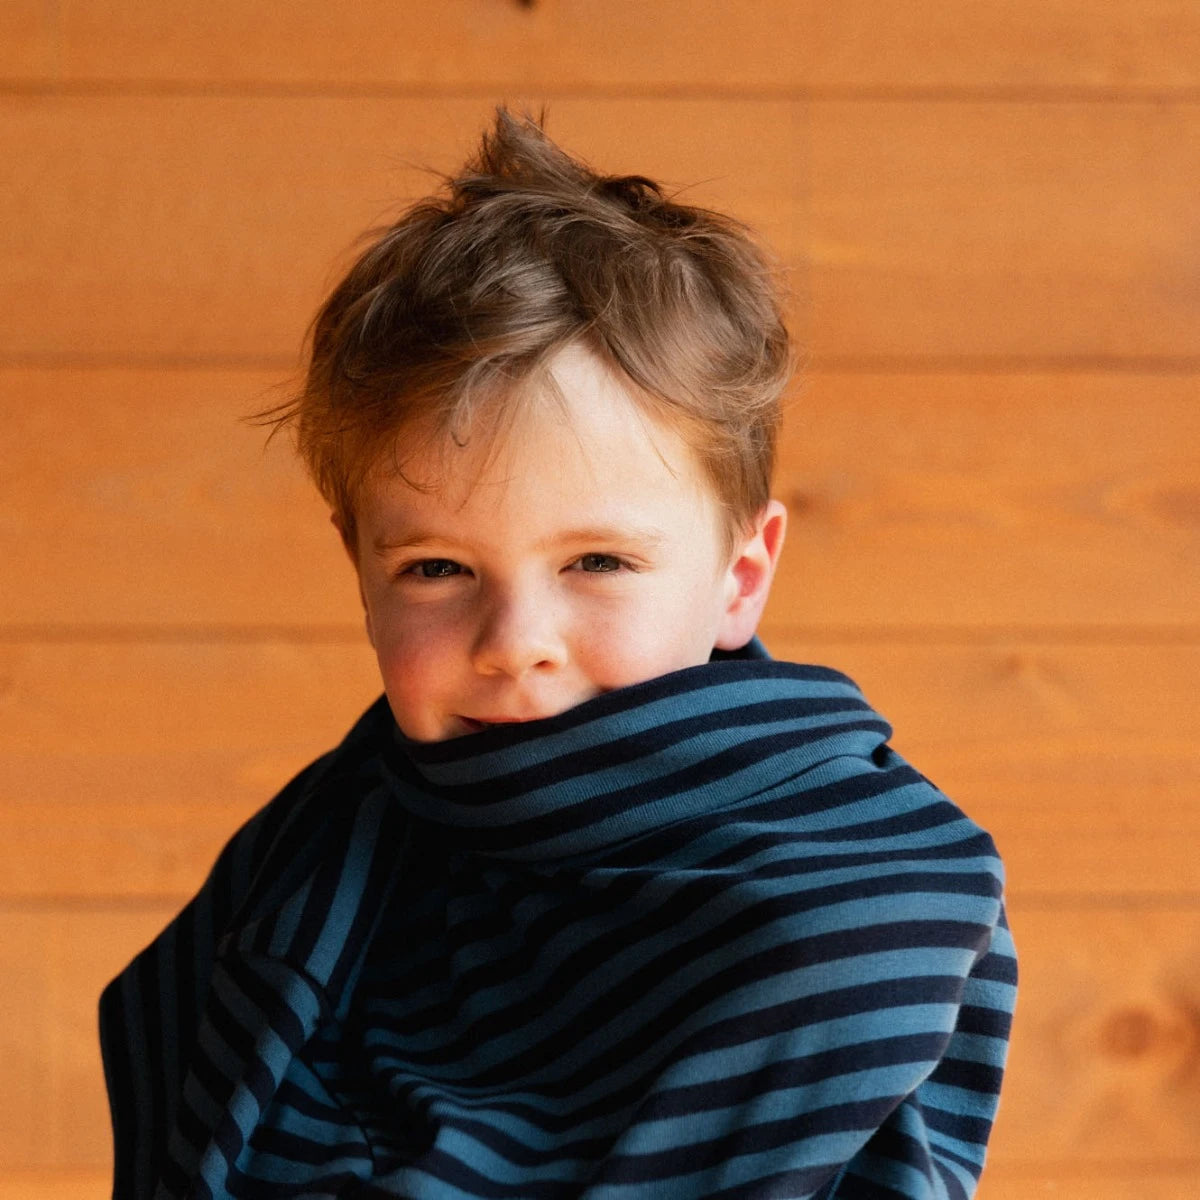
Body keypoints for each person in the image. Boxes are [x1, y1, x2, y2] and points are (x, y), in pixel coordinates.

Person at [100, 109, 1016, 1200]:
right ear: (358, 565)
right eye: (437, 569)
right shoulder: (314, 858)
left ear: (740, 574)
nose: (514, 645)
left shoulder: (853, 908)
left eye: (597, 562)